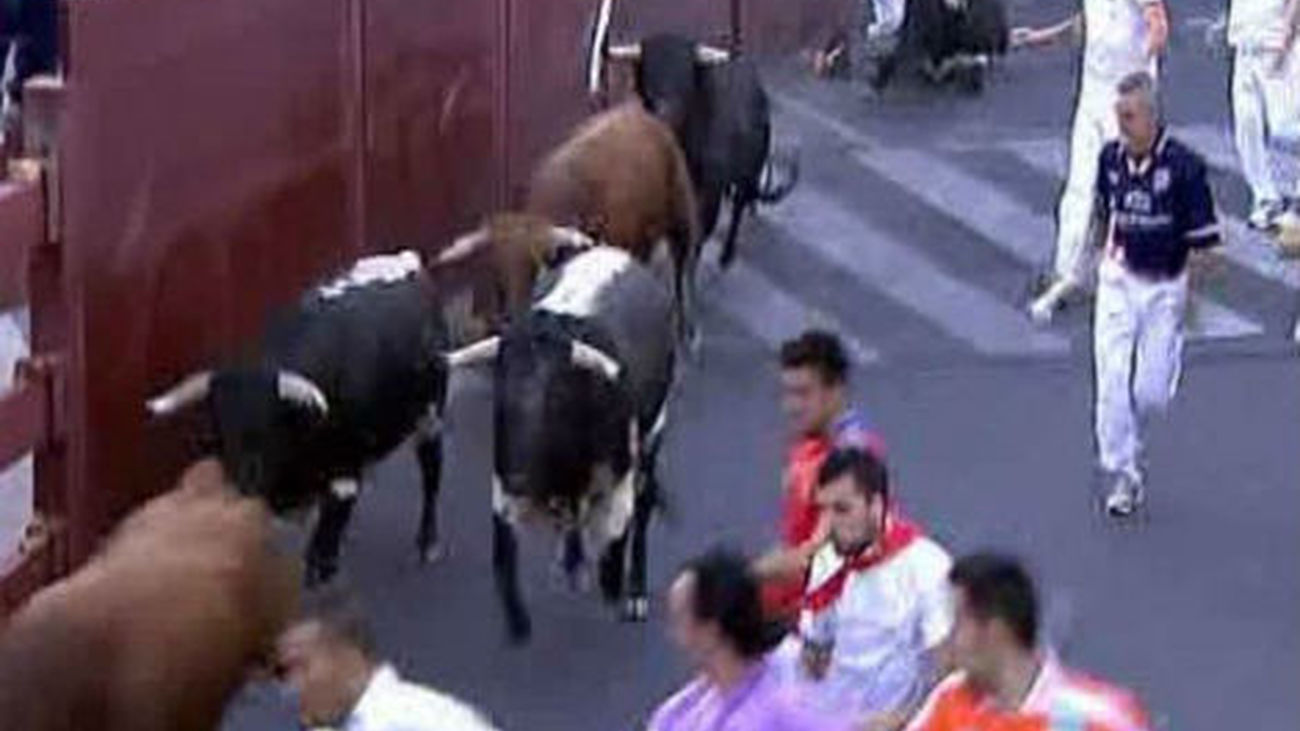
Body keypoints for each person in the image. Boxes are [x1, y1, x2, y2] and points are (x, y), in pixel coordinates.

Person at [1088, 71, 1221, 516]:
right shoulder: (1109, 159)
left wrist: (1191, 303)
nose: (1122, 127)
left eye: (1129, 117)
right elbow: (1103, 211)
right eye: (1118, 116)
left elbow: (1204, 244)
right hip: (1119, 281)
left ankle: (1169, 355)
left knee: (1150, 395)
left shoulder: (1185, 168)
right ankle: (1123, 473)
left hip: (1165, 287)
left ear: (1151, 117)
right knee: (1111, 381)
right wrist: (1095, 259)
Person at [774, 448, 954, 730]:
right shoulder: (826, 561)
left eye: (842, 509)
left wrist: (899, 721)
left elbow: (948, 676)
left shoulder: (927, 566)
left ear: (877, 505)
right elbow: (813, 658)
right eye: (823, 510)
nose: (829, 525)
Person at [1014, 0, 1169, 323]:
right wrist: (1043, 37)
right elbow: (1088, 21)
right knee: (1080, 186)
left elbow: (1157, 21)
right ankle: (1067, 270)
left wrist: (1146, 69)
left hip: (1126, 101)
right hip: (1093, 94)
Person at [905, 553, 1151, 731]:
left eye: (957, 622)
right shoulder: (950, 700)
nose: (947, 638)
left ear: (996, 631)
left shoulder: (1096, 718)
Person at [754, 330, 887, 625]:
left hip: (832, 618)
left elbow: (820, 556)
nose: (791, 406)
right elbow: (794, 540)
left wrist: (742, 577)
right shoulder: (808, 445)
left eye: (803, 393)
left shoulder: (851, 458)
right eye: (787, 393)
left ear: (836, 391)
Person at [646, 548, 852, 731]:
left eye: (680, 617)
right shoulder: (677, 713)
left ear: (711, 629)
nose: (672, 632)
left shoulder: (783, 706)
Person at [275, 587, 499, 731]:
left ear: (349, 658)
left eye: (302, 666)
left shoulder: (404, 722)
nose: (290, 687)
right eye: (286, 672)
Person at [1228, 0, 1300, 230]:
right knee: (1246, 126)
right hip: (1244, 44)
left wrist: (1286, 37)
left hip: (1278, 44)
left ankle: (1296, 199)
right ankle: (1266, 198)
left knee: (1287, 128)